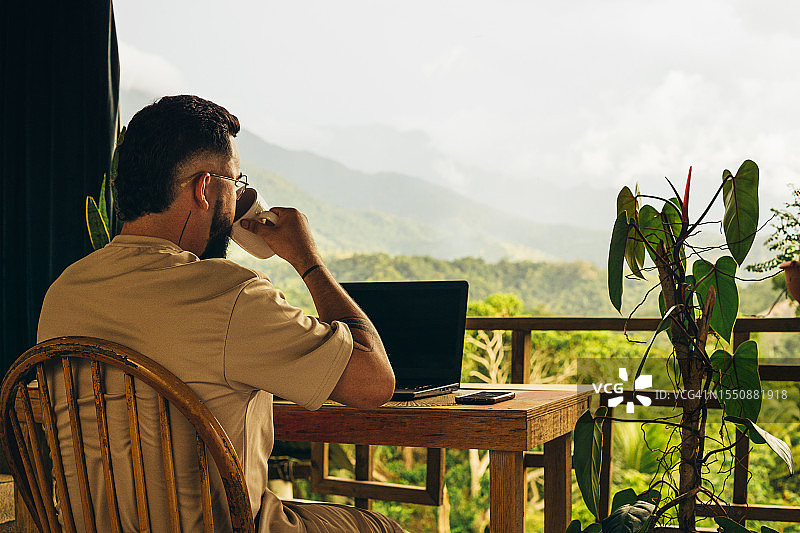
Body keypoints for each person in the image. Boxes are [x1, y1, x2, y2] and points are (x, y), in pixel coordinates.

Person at [37, 95, 404, 532]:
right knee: (379, 526)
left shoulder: (63, 294)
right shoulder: (230, 296)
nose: (238, 195)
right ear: (204, 188)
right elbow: (374, 382)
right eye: (236, 181)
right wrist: (308, 260)